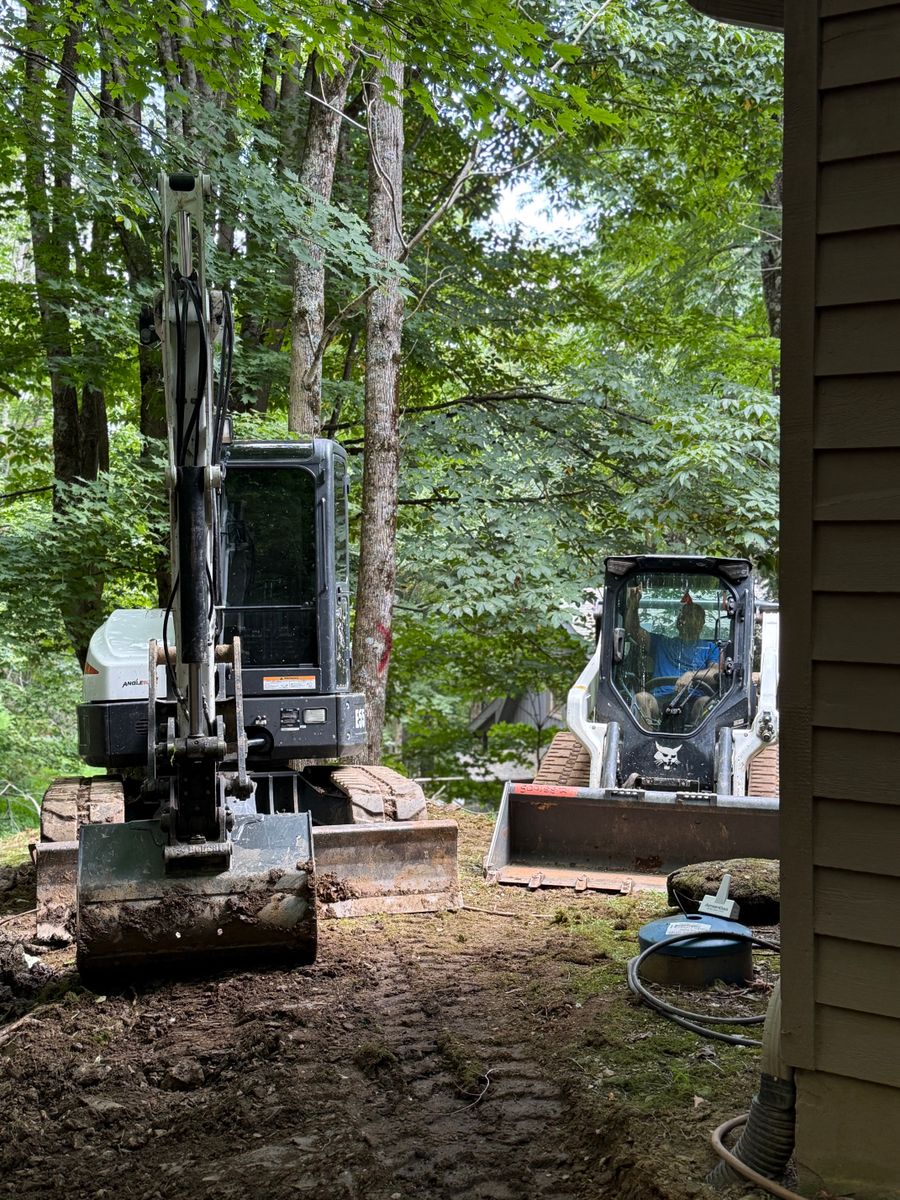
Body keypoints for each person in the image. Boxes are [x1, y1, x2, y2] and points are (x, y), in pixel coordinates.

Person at [624, 586, 720, 726]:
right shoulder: (662, 643)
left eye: (693, 617)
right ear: (678, 622)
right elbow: (634, 631)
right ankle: (647, 743)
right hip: (660, 701)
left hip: (694, 701)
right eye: (684, 616)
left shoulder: (710, 648)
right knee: (641, 698)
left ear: (702, 623)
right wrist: (633, 606)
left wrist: (692, 675)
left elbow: (715, 673)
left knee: (706, 702)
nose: (687, 620)